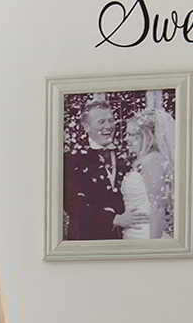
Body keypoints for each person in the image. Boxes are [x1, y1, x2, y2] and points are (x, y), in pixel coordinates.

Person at [63, 100, 149, 240]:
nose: (108, 126)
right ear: (86, 126)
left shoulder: (126, 154)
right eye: (101, 122)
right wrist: (114, 219)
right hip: (87, 239)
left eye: (111, 120)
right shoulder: (71, 159)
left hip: (123, 237)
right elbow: (72, 203)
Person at [121, 109, 175, 239]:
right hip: (134, 232)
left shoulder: (152, 161)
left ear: (146, 136)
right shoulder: (144, 160)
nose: (126, 139)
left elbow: (158, 207)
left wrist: (153, 246)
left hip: (146, 234)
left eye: (131, 134)